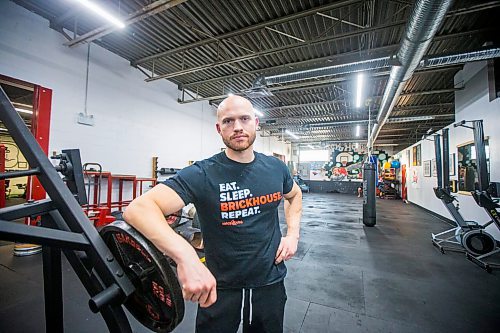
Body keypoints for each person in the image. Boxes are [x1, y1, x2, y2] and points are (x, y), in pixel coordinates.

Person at [123, 95, 303, 333]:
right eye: (228, 121)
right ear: (219, 129)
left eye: (244, 118)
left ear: (256, 123)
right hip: (218, 285)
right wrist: (185, 256)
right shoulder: (202, 174)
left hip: (269, 281)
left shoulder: (276, 168)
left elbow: (294, 195)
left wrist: (293, 235)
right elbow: (138, 209)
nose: (237, 127)